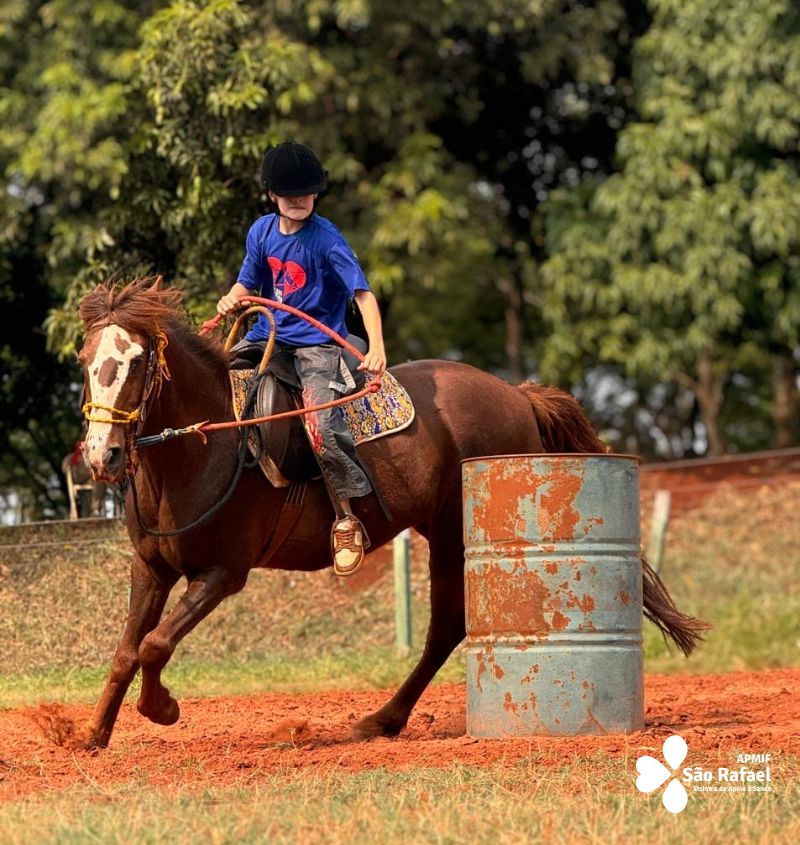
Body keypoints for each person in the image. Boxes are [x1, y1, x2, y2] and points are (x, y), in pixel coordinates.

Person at [217, 141, 386, 576]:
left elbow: (363, 295)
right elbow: (248, 281)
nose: (300, 200)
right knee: (211, 383)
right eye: (290, 193)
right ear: (272, 195)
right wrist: (231, 299)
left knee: (321, 424)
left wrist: (378, 348)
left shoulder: (327, 240)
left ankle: (346, 517)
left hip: (316, 344)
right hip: (266, 334)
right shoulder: (261, 232)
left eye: (307, 192)